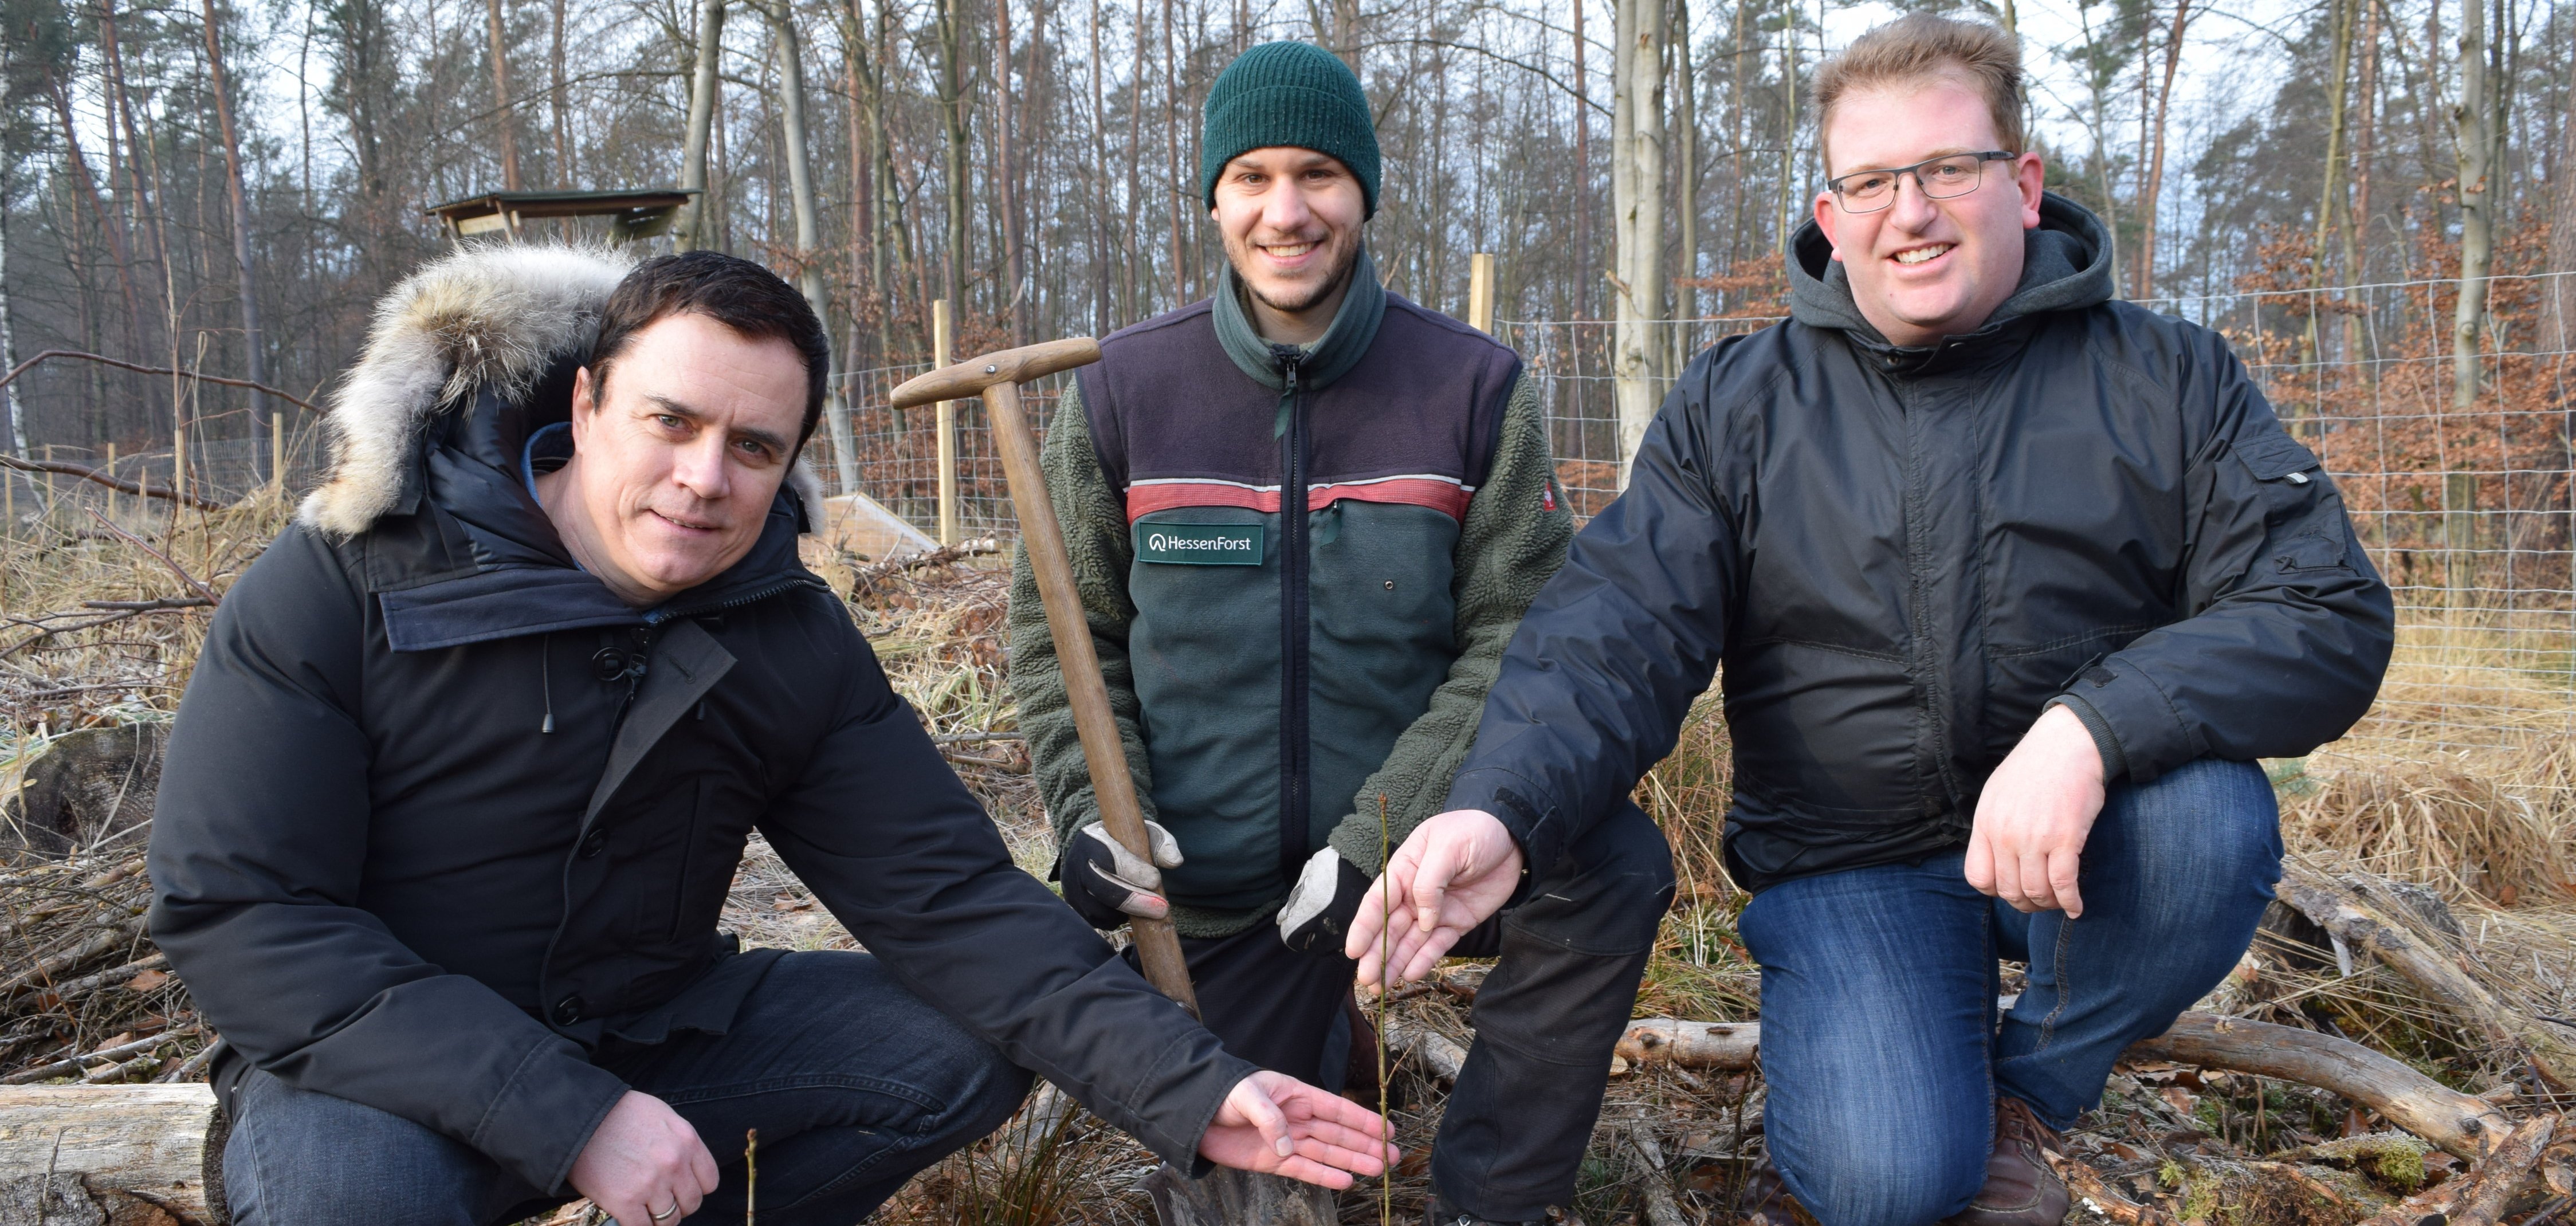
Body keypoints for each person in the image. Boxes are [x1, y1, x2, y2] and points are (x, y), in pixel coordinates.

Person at [1345, 15, 2395, 1226]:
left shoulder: (2167, 378)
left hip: (2085, 841)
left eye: (1950, 167)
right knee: (1887, 1179)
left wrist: (2089, 730)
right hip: (1853, 862)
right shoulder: (1738, 406)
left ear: (2025, 184)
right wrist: (1500, 806)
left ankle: (2034, 1085)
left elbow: (2321, 608)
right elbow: (1614, 632)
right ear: (1831, 213)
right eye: (1873, 181)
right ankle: (1906, 1086)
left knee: (2206, 823)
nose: (1914, 210)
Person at [148, 247, 1394, 1226]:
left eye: (754, 447)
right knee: (359, 1203)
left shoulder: (780, 630)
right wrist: (571, 1115)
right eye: (670, 422)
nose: (704, 479)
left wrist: (1195, 1084)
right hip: (376, 1069)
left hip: (649, 1028)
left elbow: (948, 897)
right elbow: (245, 915)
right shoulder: (345, 583)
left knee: (953, 1048)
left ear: (792, 462)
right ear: (584, 401)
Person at [1007, 40, 1675, 1226]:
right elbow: (1067, 637)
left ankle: (1492, 1192)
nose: (1285, 210)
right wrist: (1093, 814)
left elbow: (1516, 632)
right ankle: (1317, 1051)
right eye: (1251, 176)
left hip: (1409, 871)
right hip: (1211, 900)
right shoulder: (1119, 391)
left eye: (1317, 173)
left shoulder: (1469, 387)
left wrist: (1386, 828)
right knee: (1279, 1204)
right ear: (1212, 196)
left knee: (1610, 863)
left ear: (1363, 190)